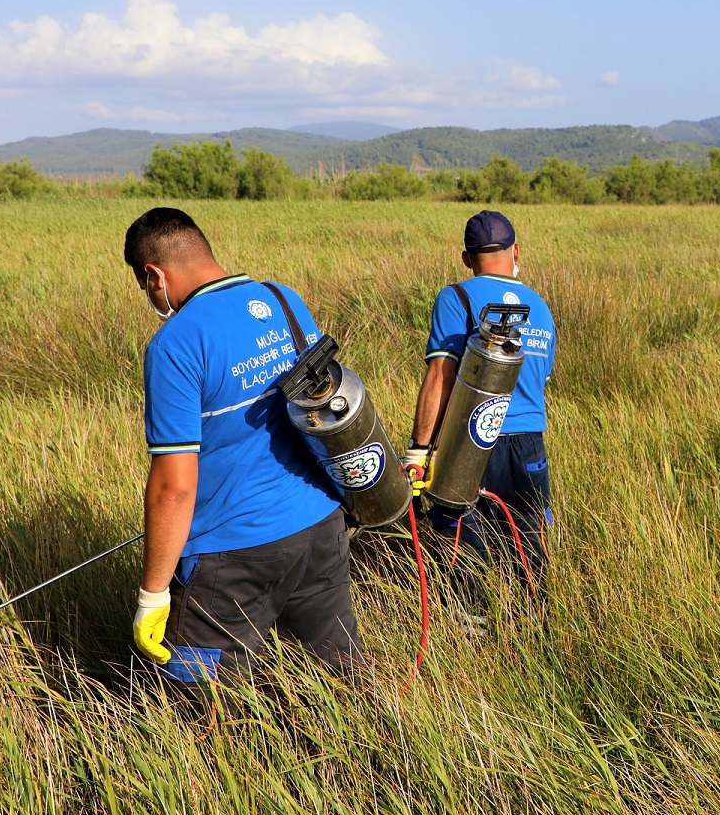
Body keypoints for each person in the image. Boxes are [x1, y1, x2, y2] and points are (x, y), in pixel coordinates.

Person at [124, 207, 359, 682]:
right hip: (321, 529)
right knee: (342, 686)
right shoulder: (282, 300)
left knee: (198, 707)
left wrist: (153, 596)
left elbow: (174, 487)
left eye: (145, 285)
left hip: (233, 556)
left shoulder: (174, 345)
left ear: (155, 274)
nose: (151, 295)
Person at [402, 210, 557, 620]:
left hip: (472, 441)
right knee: (529, 546)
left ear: (467, 258)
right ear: (516, 251)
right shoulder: (539, 307)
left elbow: (440, 375)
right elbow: (540, 379)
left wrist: (419, 449)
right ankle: (536, 634)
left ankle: (475, 637)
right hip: (530, 446)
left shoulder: (457, 297)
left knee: (463, 548)